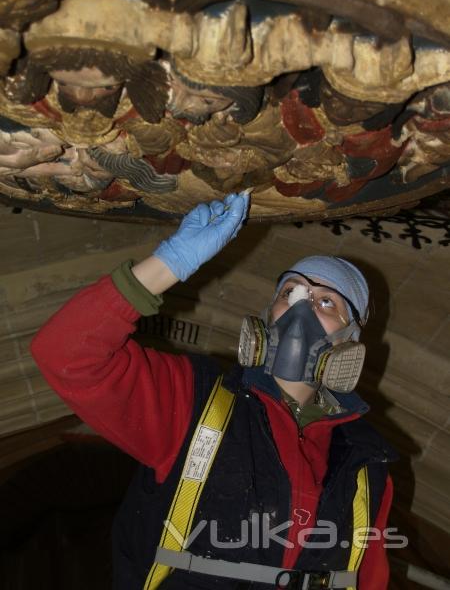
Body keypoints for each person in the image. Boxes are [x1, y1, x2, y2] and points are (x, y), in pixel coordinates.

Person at [31, 193, 396, 590]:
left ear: (349, 341)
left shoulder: (366, 461)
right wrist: (170, 262)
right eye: (289, 293)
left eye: (326, 302)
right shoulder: (195, 399)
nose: (299, 310)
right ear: (266, 317)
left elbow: (368, 577)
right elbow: (66, 353)